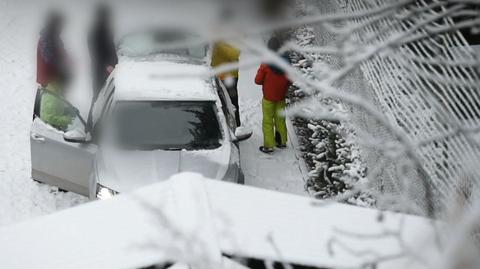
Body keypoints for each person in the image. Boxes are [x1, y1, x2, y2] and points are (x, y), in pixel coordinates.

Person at [255, 37, 291, 154]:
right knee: (280, 119)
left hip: (268, 97)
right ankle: (281, 141)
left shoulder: (266, 62)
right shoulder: (286, 61)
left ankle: (269, 145)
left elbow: (258, 80)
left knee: (267, 121)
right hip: (281, 96)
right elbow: (291, 79)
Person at [88, 4, 118, 102]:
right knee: (99, 97)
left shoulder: (104, 30)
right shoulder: (97, 31)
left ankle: (95, 116)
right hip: (102, 70)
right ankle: (93, 117)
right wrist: (106, 66)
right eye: (106, 15)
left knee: (104, 97)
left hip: (107, 69)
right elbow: (96, 52)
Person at [211, 41, 241, 126]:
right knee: (219, 104)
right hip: (219, 75)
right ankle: (223, 126)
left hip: (229, 77)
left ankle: (236, 127)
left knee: (231, 104)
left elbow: (234, 55)